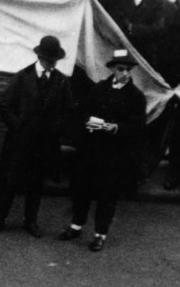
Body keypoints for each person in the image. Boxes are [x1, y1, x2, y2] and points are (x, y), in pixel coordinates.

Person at [60, 49, 146, 254]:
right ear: (113, 69)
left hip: (114, 154)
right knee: (82, 189)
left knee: (107, 195)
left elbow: (138, 126)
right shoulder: (99, 88)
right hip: (91, 150)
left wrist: (116, 128)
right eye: (121, 69)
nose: (125, 73)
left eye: (128, 69)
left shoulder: (136, 97)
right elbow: (83, 110)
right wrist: (89, 122)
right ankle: (76, 226)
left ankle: (100, 234)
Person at [0, 34, 74, 236]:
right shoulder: (22, 77)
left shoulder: (61, 81)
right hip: (19, 143)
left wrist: (55, 129)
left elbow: (68, 111)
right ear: (40, 57)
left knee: (36, 184)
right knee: (10, 182)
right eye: (48, 60)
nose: (51, 64)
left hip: (44, 144)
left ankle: (31, 221)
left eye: (54, 61)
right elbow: (4, 106)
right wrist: (18, 127)